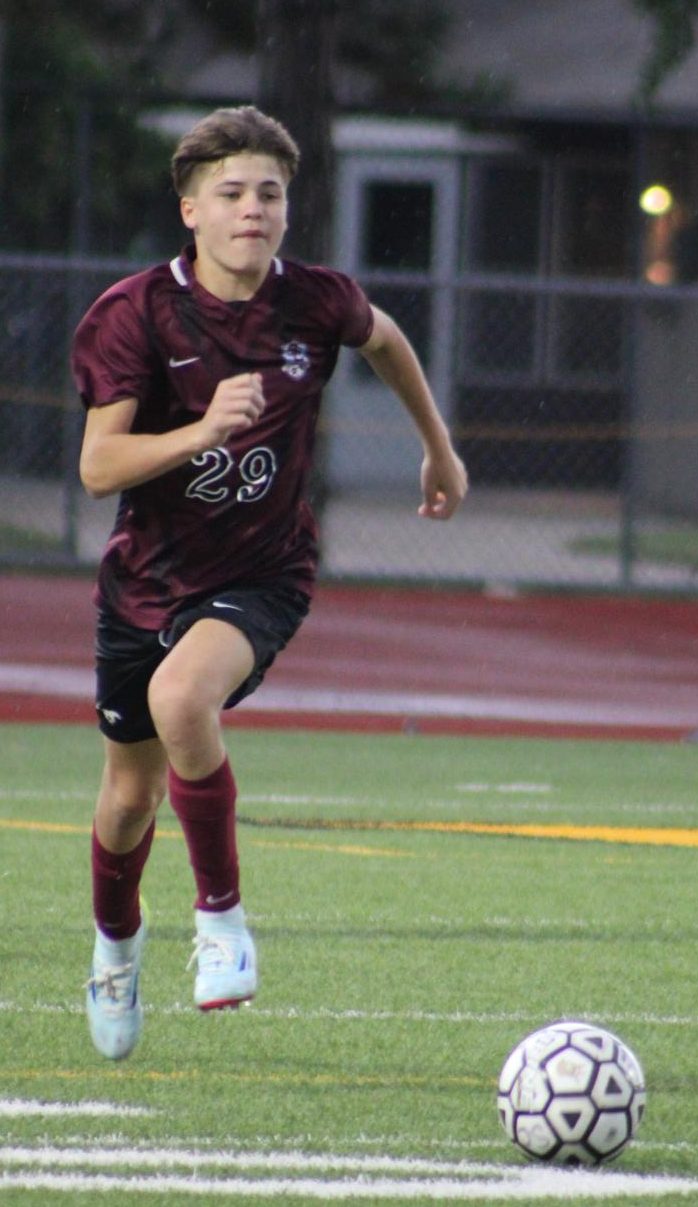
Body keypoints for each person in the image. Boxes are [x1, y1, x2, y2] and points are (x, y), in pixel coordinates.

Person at [71, 105, 468, 1061]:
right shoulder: (133, 314)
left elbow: (385, 340)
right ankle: (116, 946)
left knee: (182, 696)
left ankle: (222, 921)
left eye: (271, 193)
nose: (253, 208)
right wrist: (202, 430)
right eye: (233, 192)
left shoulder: (314, 299)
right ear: (190, 211)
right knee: (127, 798)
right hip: (145, 583)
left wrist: (438, 450)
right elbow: (98, 467)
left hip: (262, 573)